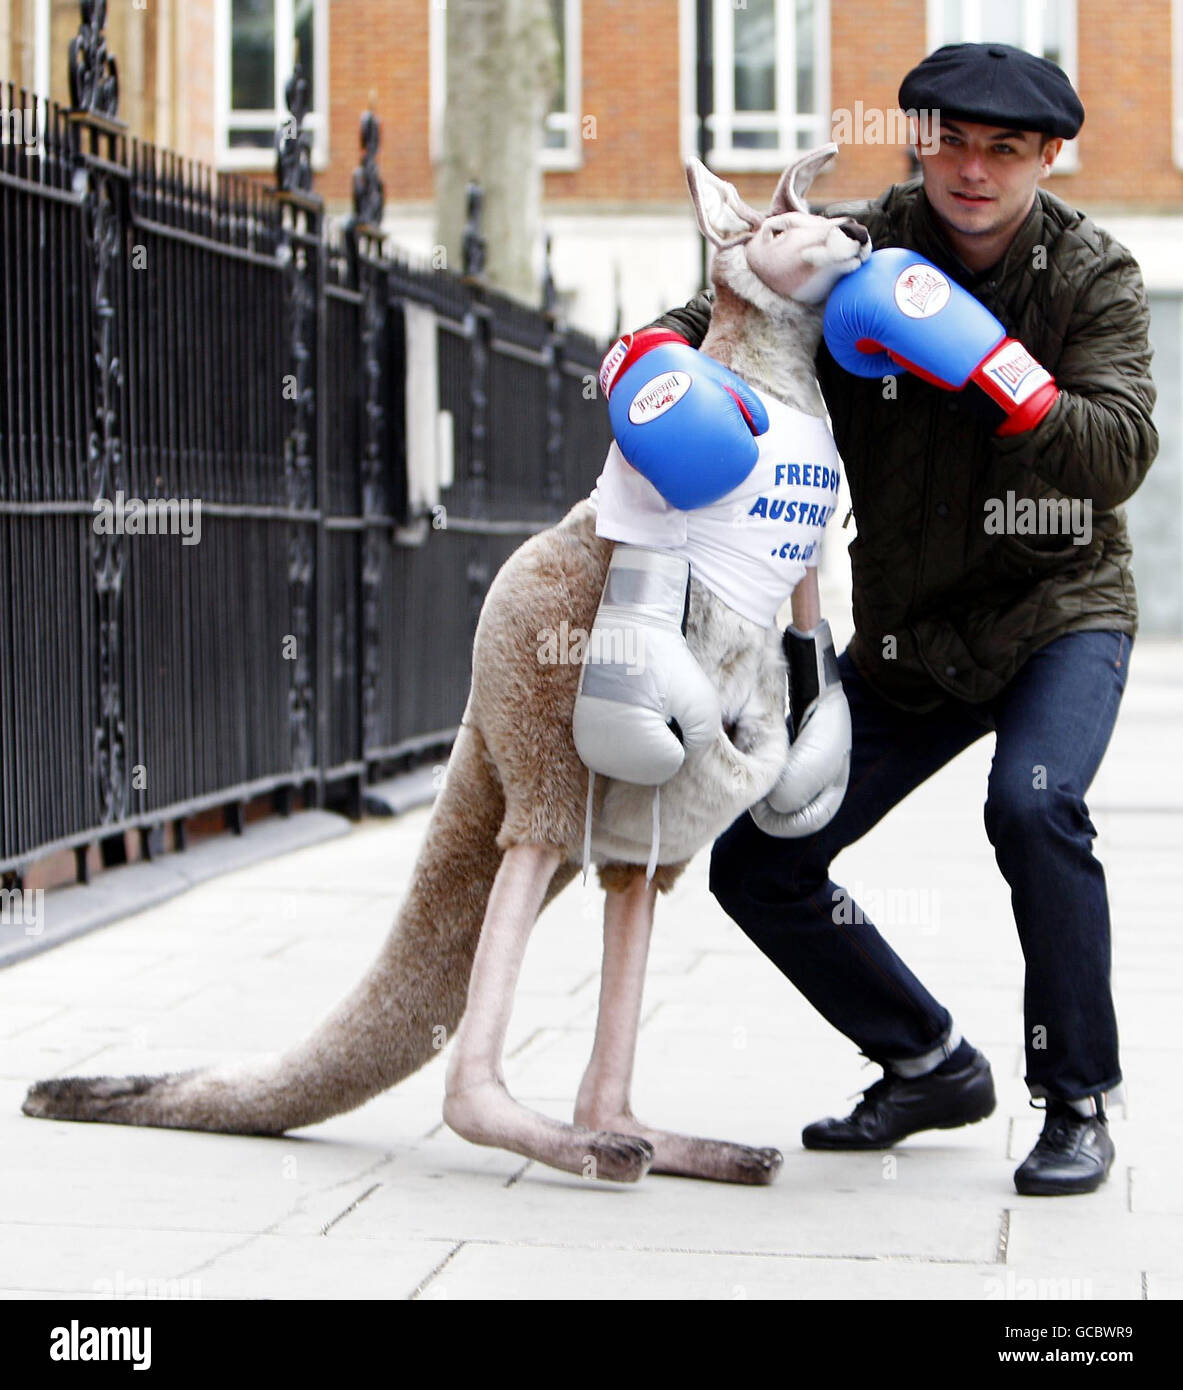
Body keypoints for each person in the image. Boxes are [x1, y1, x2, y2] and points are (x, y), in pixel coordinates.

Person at [607, 43, 1158, 1195]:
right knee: (763, 867)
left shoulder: (1092, 274)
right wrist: (641, 354)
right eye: (950, 141)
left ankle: (1073, 1100)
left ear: (1045, 156)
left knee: (1034, 805)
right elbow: (730, 302)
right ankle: (928, 1059)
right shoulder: (865, 243)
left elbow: (1116, 454)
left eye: (1002, 150)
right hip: (910, 632)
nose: (970, 169)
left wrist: (996, 371)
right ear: (920, 141)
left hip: (1057, 610)